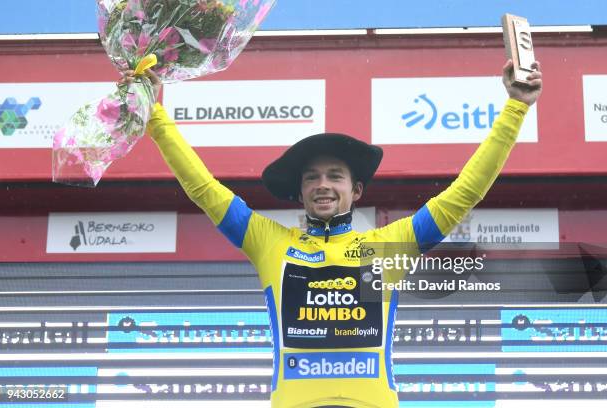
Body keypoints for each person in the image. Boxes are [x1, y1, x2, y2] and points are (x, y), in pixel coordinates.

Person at [121, 59, 542, 408]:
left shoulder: (387, 247)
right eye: (312, 177)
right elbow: (203, 188)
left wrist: (515, 108)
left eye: (335, 176)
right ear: (300, 191)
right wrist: (156, 115)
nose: (323, 184)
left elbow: (464, 193)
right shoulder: (269, 241)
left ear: (356, 190)